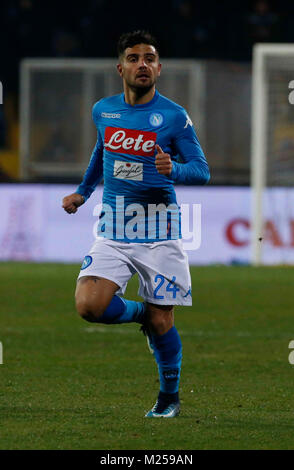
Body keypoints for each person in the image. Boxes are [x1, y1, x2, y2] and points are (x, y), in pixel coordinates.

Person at [62, 30, 210, 418]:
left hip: (160, 233)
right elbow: (102, 151)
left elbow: (201, 170)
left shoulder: (175, 117)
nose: (141, 64)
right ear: (120, 68)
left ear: (159, 69)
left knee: (165, 320)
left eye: (149, 58)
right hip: (113, 230)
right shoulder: (104, 110)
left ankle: (168, 398)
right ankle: (144, 314)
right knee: (90, 306)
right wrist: (83, 191)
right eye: (133, 58)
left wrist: (173, 169)